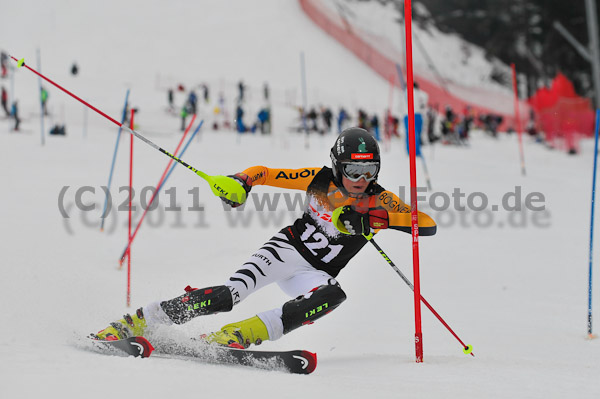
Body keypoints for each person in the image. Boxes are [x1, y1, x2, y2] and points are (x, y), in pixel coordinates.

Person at [92, 127, 437, 348]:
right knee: (231, 294)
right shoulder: (318, 180)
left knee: (333, 295)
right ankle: (141, 319)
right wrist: (242, 182)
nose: (361, 179)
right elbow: (265, 173)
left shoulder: (380, 199)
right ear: (336, 166)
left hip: (312, 274)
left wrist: (378, 218)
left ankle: (241, 334)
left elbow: (426, 222)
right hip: (284, 251)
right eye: (353, 170)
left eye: (369, 171)